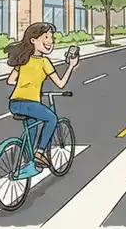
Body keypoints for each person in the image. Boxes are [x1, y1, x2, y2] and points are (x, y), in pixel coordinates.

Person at [5, 22, 79, 168]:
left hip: (14, 103)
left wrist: (26, 85)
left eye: (51, 38)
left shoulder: (23, 60)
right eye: (46, 37)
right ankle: (40, 152)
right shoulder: (44, 62)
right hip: (30, 104)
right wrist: (71, 66)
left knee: (32, 127)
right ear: (33, 40)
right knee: (52, 118)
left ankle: (25, 160)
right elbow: (60, 84)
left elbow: (10, 81)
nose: (50, 41)